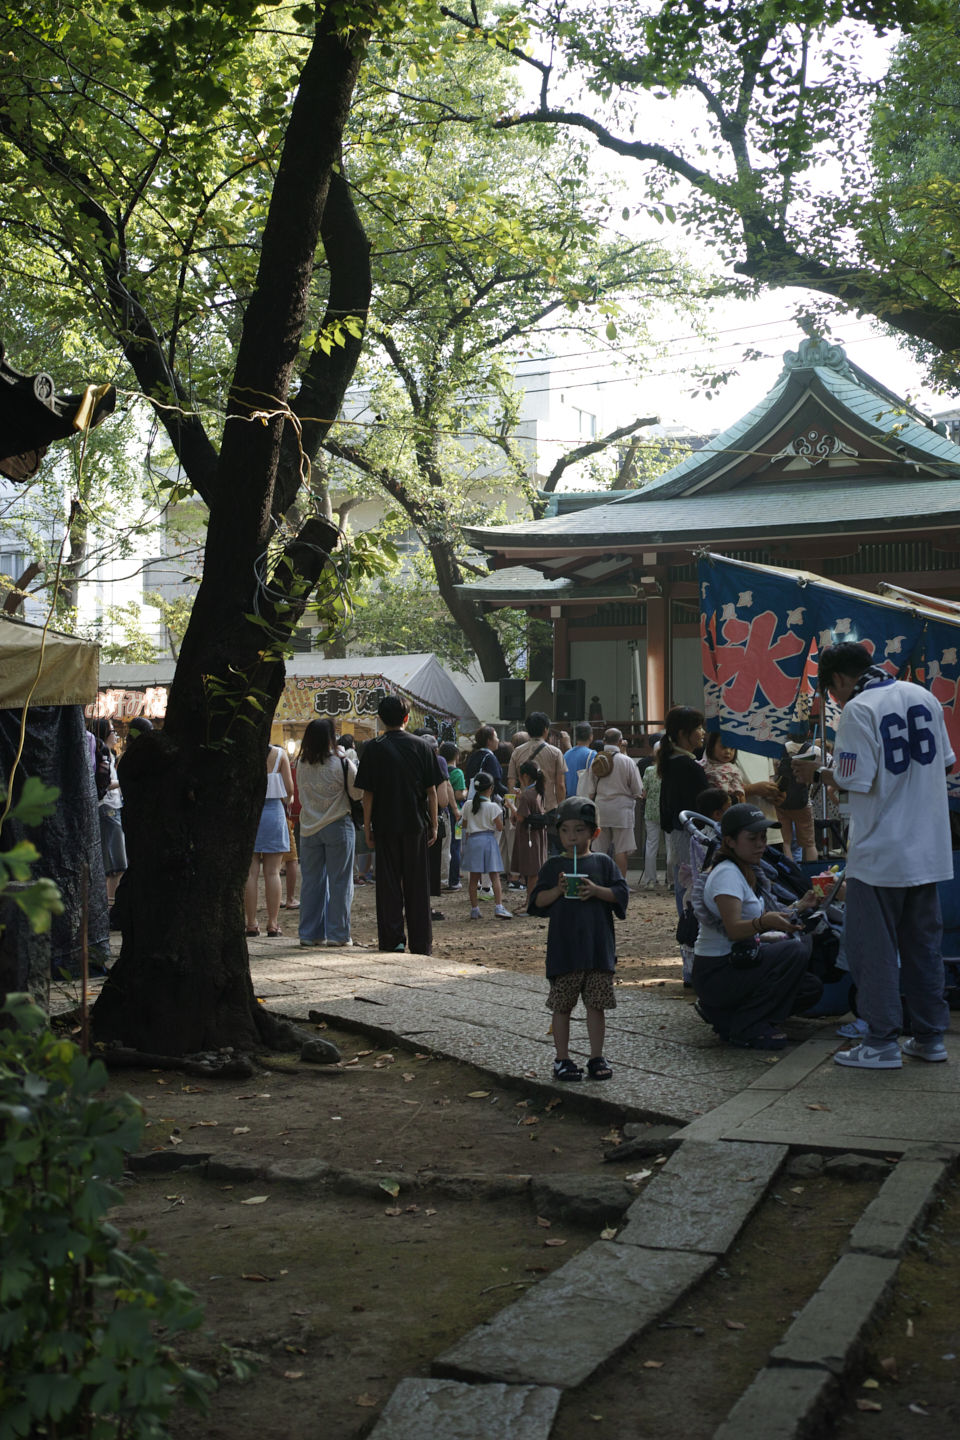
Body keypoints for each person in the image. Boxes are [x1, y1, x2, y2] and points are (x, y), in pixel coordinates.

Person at [793, 642, 955, 1069]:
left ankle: (881, 1041)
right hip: (928, 847)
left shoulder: (859, 708)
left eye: (832, 691)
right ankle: (929, 1037)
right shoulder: (923, 696)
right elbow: (946, 764)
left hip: (881, 851)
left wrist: (818, 772)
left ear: (838, 679)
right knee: (923, 947)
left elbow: (855, 779)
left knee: (873, 948)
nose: (834, 698)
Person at [691, 803, 822, 1049]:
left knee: (809, 988)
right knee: (794, 951)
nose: (761, 844)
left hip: (741, 961)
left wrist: (800, 906)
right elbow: (734, 929)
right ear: (729, 841)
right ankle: (748, 1027)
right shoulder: (727, 874)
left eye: (763, 837)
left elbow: (762, 916)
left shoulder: (746, 869)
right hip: (717, 971)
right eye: (752, 839)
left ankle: (728, 1017)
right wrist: (763, 923)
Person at [530, 796, 629, 1082]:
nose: (571, 837)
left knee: (596, 1005)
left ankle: (597, 1056)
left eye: (579, 830)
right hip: (564, 951)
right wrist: (558, 890)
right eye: (565, 830)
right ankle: (562, 1059)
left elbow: (621, 894)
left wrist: (597, 890)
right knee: (562, 1006)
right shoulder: (553, 865)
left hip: (598, 949)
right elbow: (537, 901)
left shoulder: (604, 863)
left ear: (594, 833)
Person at [355, 694, 444, 954]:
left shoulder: (373, 747)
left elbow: (367, 795)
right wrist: (434, 825)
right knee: (417, 885)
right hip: (415, 824)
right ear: (406, 718)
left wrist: (368, 827)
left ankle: (393, 940)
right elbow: (432, 792)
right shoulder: (423, 746)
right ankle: (421, 943)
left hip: (384, 824)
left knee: (388, 884)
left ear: (381, 719)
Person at [296, 718, 362, 948]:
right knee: (340, 881)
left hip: (308, 827)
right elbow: (357, 793)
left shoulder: (300, 763)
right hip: (337, 825)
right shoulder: (342, 762)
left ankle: (310, 933)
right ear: (331, 738)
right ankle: (338, 934)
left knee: (311, 882)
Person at [245, 740, 293, 937]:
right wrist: (286, 800)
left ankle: (251, 923)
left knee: (250, 873)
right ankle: (272, 924)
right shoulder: (280, 755)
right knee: (273, 872)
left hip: (249, 814)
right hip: (273, 812)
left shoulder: (244, 754)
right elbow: (289, 789)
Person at [584, 728, 644, 879]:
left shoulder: (596, 761)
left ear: (604, 741)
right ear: (620, 741)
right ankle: (620, 882)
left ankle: (598, 881)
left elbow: (591, 792)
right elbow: (637, 790)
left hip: (601, 809)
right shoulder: (627, 761)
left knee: (599, 850)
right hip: (622, 810)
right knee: (621, 850)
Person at [462, 772, 513, 920]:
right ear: (490, 789)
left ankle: (474, 909)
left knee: (473, 878)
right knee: (494, 875)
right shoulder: (493, 806)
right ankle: (498, 906)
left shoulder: (468, 804)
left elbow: (464, 824)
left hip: (473, 840)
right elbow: (500, 827)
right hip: (488, 840)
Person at [92, 718, 126, 903]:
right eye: (113, 731)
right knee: (116, 865)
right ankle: (112, 906)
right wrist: (123, 782)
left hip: (112, 807)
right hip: (108, 808)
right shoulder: (102, 756)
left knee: (113, 865)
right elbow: (103, 783)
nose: (116, 735)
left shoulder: (109, 755)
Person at [508, 711, 567, 812]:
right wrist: (561, 809)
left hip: (524, 808)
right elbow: (560, 785)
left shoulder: (517, 751)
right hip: (548, 807)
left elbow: (511, 782)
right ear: (545, 730)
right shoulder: (556, 752)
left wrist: (512, 808)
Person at [509, 760, 548, 908]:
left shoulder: (527, 794)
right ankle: (529, 901)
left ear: (525, 776)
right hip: (538, 835)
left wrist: (511, 805)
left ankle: (530, 903)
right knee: (534, 870)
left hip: (529, 835)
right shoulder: (539, 790)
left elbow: (520, 817)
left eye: (519, 776)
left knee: (531, 871)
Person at [774, 739, 818, 863]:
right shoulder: (814, 750)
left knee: (785, 843)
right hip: (802, 803)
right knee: (809, 843)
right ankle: (812, 872)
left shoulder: (780, 748)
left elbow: (774, 775)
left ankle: (791, 872)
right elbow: (816, 777)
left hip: (781, 802)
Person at [439, 741, 466, 890]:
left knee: (444, 847)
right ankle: (454, 879)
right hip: (456, 815)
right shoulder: (458, 773)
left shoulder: (439, 769)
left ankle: (443, 877)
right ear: (456, 755)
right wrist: (466, 792)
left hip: (442, 812)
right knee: (455, 847)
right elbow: (458, 795)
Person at [639, 734, 664, 888]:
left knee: (651, 846)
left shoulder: (648, 770)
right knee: (671, 847)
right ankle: (672, 881)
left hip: (651, 813)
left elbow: (644, 794)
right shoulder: (671, 770)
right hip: (668, 813)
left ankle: (649, 881)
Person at [463, 725, 507, 796]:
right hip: (486, 798)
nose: (498, 740)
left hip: (473, 797)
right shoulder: (490, 758)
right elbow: (495, 783)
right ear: (489, 741)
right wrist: (506, 791)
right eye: (496, 737)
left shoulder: (473, 756)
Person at [701, 733, 746, 802]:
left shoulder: (734, 770)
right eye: (723, 747)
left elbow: (739, 794)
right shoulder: (701, 764)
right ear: (711, 746)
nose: (728, 751)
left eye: (732, 748)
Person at [283, 756, 300, 909]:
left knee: (270, 863)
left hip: (262, 817)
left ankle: (276, 899)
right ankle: (290, 898)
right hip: (282, 816)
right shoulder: (285, 768)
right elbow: (290, 793)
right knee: (292, 860)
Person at [565, 721, 594, 798]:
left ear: (575, 737)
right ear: (590, 737)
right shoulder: (591, 754)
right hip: (584, 799)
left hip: (568, 799)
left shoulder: (566, 754)